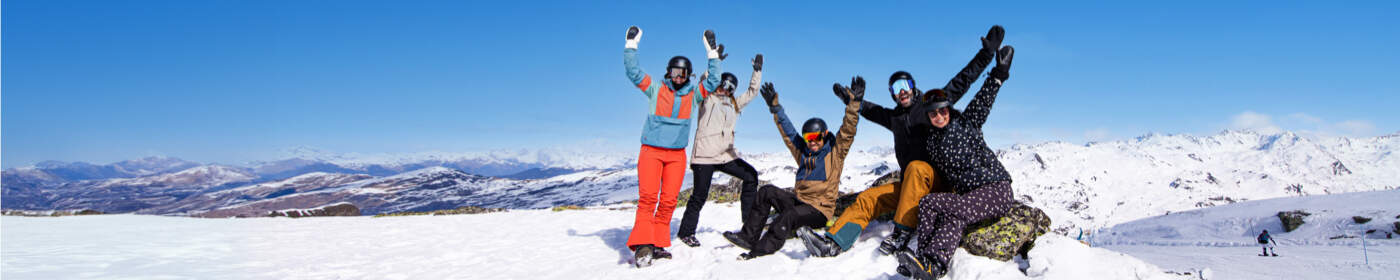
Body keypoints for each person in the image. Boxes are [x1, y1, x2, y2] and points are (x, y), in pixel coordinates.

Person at [798, 25, 1005, 258]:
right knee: (869, 198)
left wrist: (986, 54)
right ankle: (833, 242)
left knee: (917, 167)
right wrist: (852, 101)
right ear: (893, 94)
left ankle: (902, 233)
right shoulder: (895, 118)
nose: (902, 91)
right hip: (911, 188)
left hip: (937, 184)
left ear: (913, 87)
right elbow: (873, 111)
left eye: (905, 85)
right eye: (896, 88)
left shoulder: (930, 107)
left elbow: (962, 81)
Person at [896, 44, 1016, 279]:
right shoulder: (931, 143)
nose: (939, 116)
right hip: (968, 196)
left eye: (942, 111)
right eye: (933, 113)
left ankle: (935, 264)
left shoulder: (967, 123)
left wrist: (999, 73)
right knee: (930, 203)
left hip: (996, 190)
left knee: (954, 211)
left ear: (948, 109)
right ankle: (923, 261)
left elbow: (984, 98)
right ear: (928, 117)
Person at [724, 78, 863, 260]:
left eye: (816, 137)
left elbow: (847, 131)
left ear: (824, 135)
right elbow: (789, 133)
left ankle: (761, 250)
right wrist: (775, 108)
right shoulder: (804, 152)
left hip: (819, 211)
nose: (812, 142)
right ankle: (748, 237)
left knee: (789, 215)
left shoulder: (835, 153)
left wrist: (854, 104)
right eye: (808, 138)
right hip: (800, 202)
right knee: (766, 191)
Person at [621, 25, 723, 268]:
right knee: (648, 198)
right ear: (668, 72)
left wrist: (712, 53)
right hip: (651, 152)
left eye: (684, 73)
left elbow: (714, 80)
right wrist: (631, 45)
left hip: (676, 155)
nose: (679, 77)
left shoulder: (693, 95)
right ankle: (643, 245)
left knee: (668, 200)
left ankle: (657, 243)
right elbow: (633, 72)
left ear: (689, 75)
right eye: (675, 72)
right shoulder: (655, 89)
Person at [676, 53, 765, 247]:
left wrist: (757, 71)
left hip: (725, 155)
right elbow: (704, 80)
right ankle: (686, 232)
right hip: (705, 156)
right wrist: (715, 61)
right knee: (700, 195)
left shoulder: (734, 104)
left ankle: (748, 225)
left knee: (751, 176)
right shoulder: (707, 99)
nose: (725, 89)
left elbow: (752, 92)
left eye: (730, 87)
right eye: (723, 84)